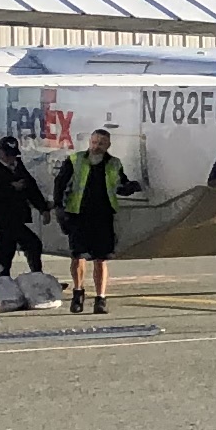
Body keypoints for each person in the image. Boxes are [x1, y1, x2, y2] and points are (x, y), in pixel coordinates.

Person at [54, 126, 138, 312]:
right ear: (89, 142)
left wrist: (130, 187)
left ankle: (101, 298)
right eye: (94, 142)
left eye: (101, 143)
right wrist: (59, 208)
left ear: (108, 145)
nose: (96, 146)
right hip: (78, 214)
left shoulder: (114, 163)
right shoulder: (75, 160)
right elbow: (60, 184)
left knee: (101, 259)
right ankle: (78, 294)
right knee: (78, 257)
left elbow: (120, 184)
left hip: (103, 215)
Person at [0, 135, 52, 301]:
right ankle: (4, 285)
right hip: (2, 219)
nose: (11, 158)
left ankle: (35, 278)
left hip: (17, 216)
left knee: (26, 247)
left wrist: (42, 208)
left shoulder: (17, 166)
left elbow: (31, 187)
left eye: (14, 155)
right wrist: (10, 187)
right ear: (0, 152)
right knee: (14, 251)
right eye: (8, 155)